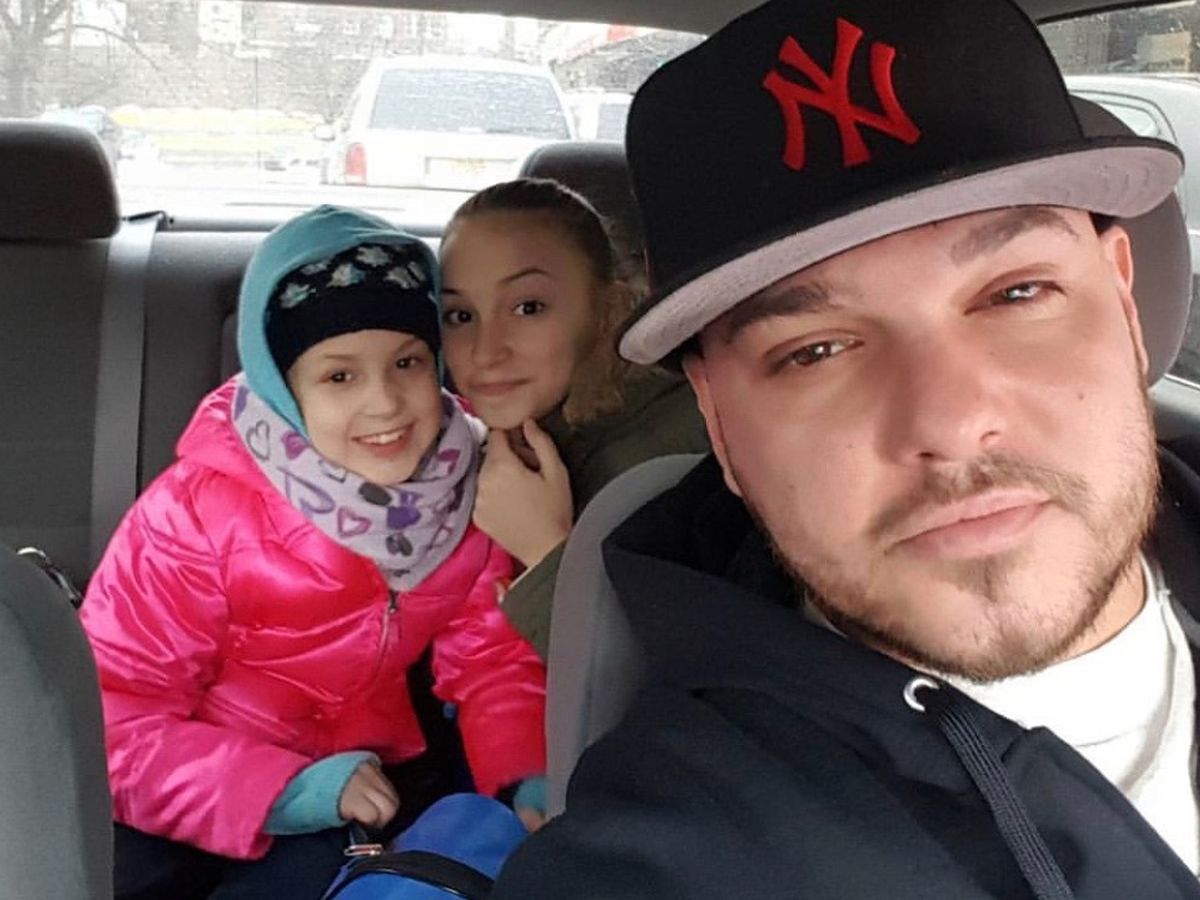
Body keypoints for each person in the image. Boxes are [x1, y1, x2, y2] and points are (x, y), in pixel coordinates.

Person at [489, 0, 1200, 896]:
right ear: (718, 423)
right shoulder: (676, 852)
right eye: (815, 351)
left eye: (1017, 293)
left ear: (1125, 307)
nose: (948, 423)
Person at [81, 205, 546, 900]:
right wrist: (280, 788)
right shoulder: (196, 515)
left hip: (369, 785)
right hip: (194, 782)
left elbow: (491, 661)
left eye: (408, 363)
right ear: (283, 391)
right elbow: (111, 719)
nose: (385, 403)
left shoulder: (465, 492)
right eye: (339, 377)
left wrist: (523, 775)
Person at [438, 178, 709, 658]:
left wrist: (545, 552)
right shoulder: (482, 436)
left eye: (528, 308)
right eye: (460, 315)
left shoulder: (677, 459)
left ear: (607, 308)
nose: (485, 351)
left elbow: (676, 679)